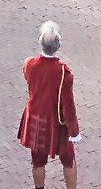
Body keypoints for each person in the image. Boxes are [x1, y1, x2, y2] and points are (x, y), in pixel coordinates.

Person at [17, 22, 80, 189]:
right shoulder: (63, 72)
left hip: (36, 119)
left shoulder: (29, 64)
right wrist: (74, 131)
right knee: (68, 160)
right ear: (58, 45)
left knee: (37, 162)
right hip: (57, 123)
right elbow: (68, 105)